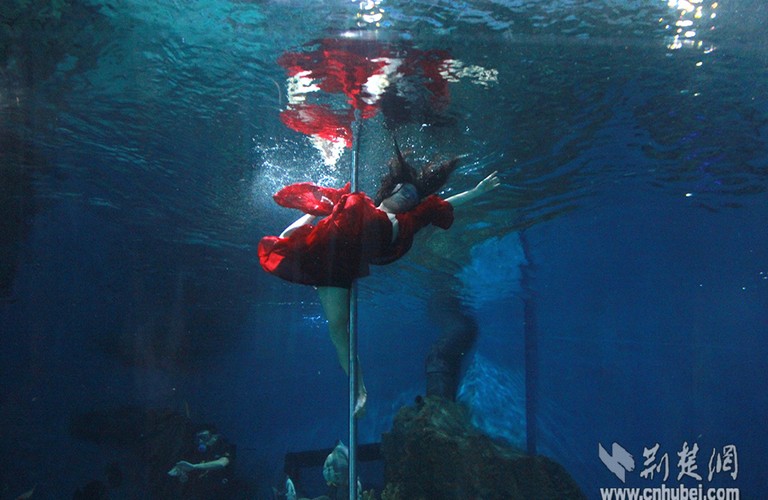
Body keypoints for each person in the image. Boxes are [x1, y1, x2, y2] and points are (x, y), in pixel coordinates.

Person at [258, 142, 499, 416]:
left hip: (335, 271)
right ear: (391, 188)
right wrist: (322, 208)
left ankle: (359, 389)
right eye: (405, 190)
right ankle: (315, 211)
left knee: (338, 330)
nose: (408, 196)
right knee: (283, 241)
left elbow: (443, 205)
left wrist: (477, 192)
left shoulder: (406, 222)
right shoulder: (361, 203)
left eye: (413, 196)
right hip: (318, 246)